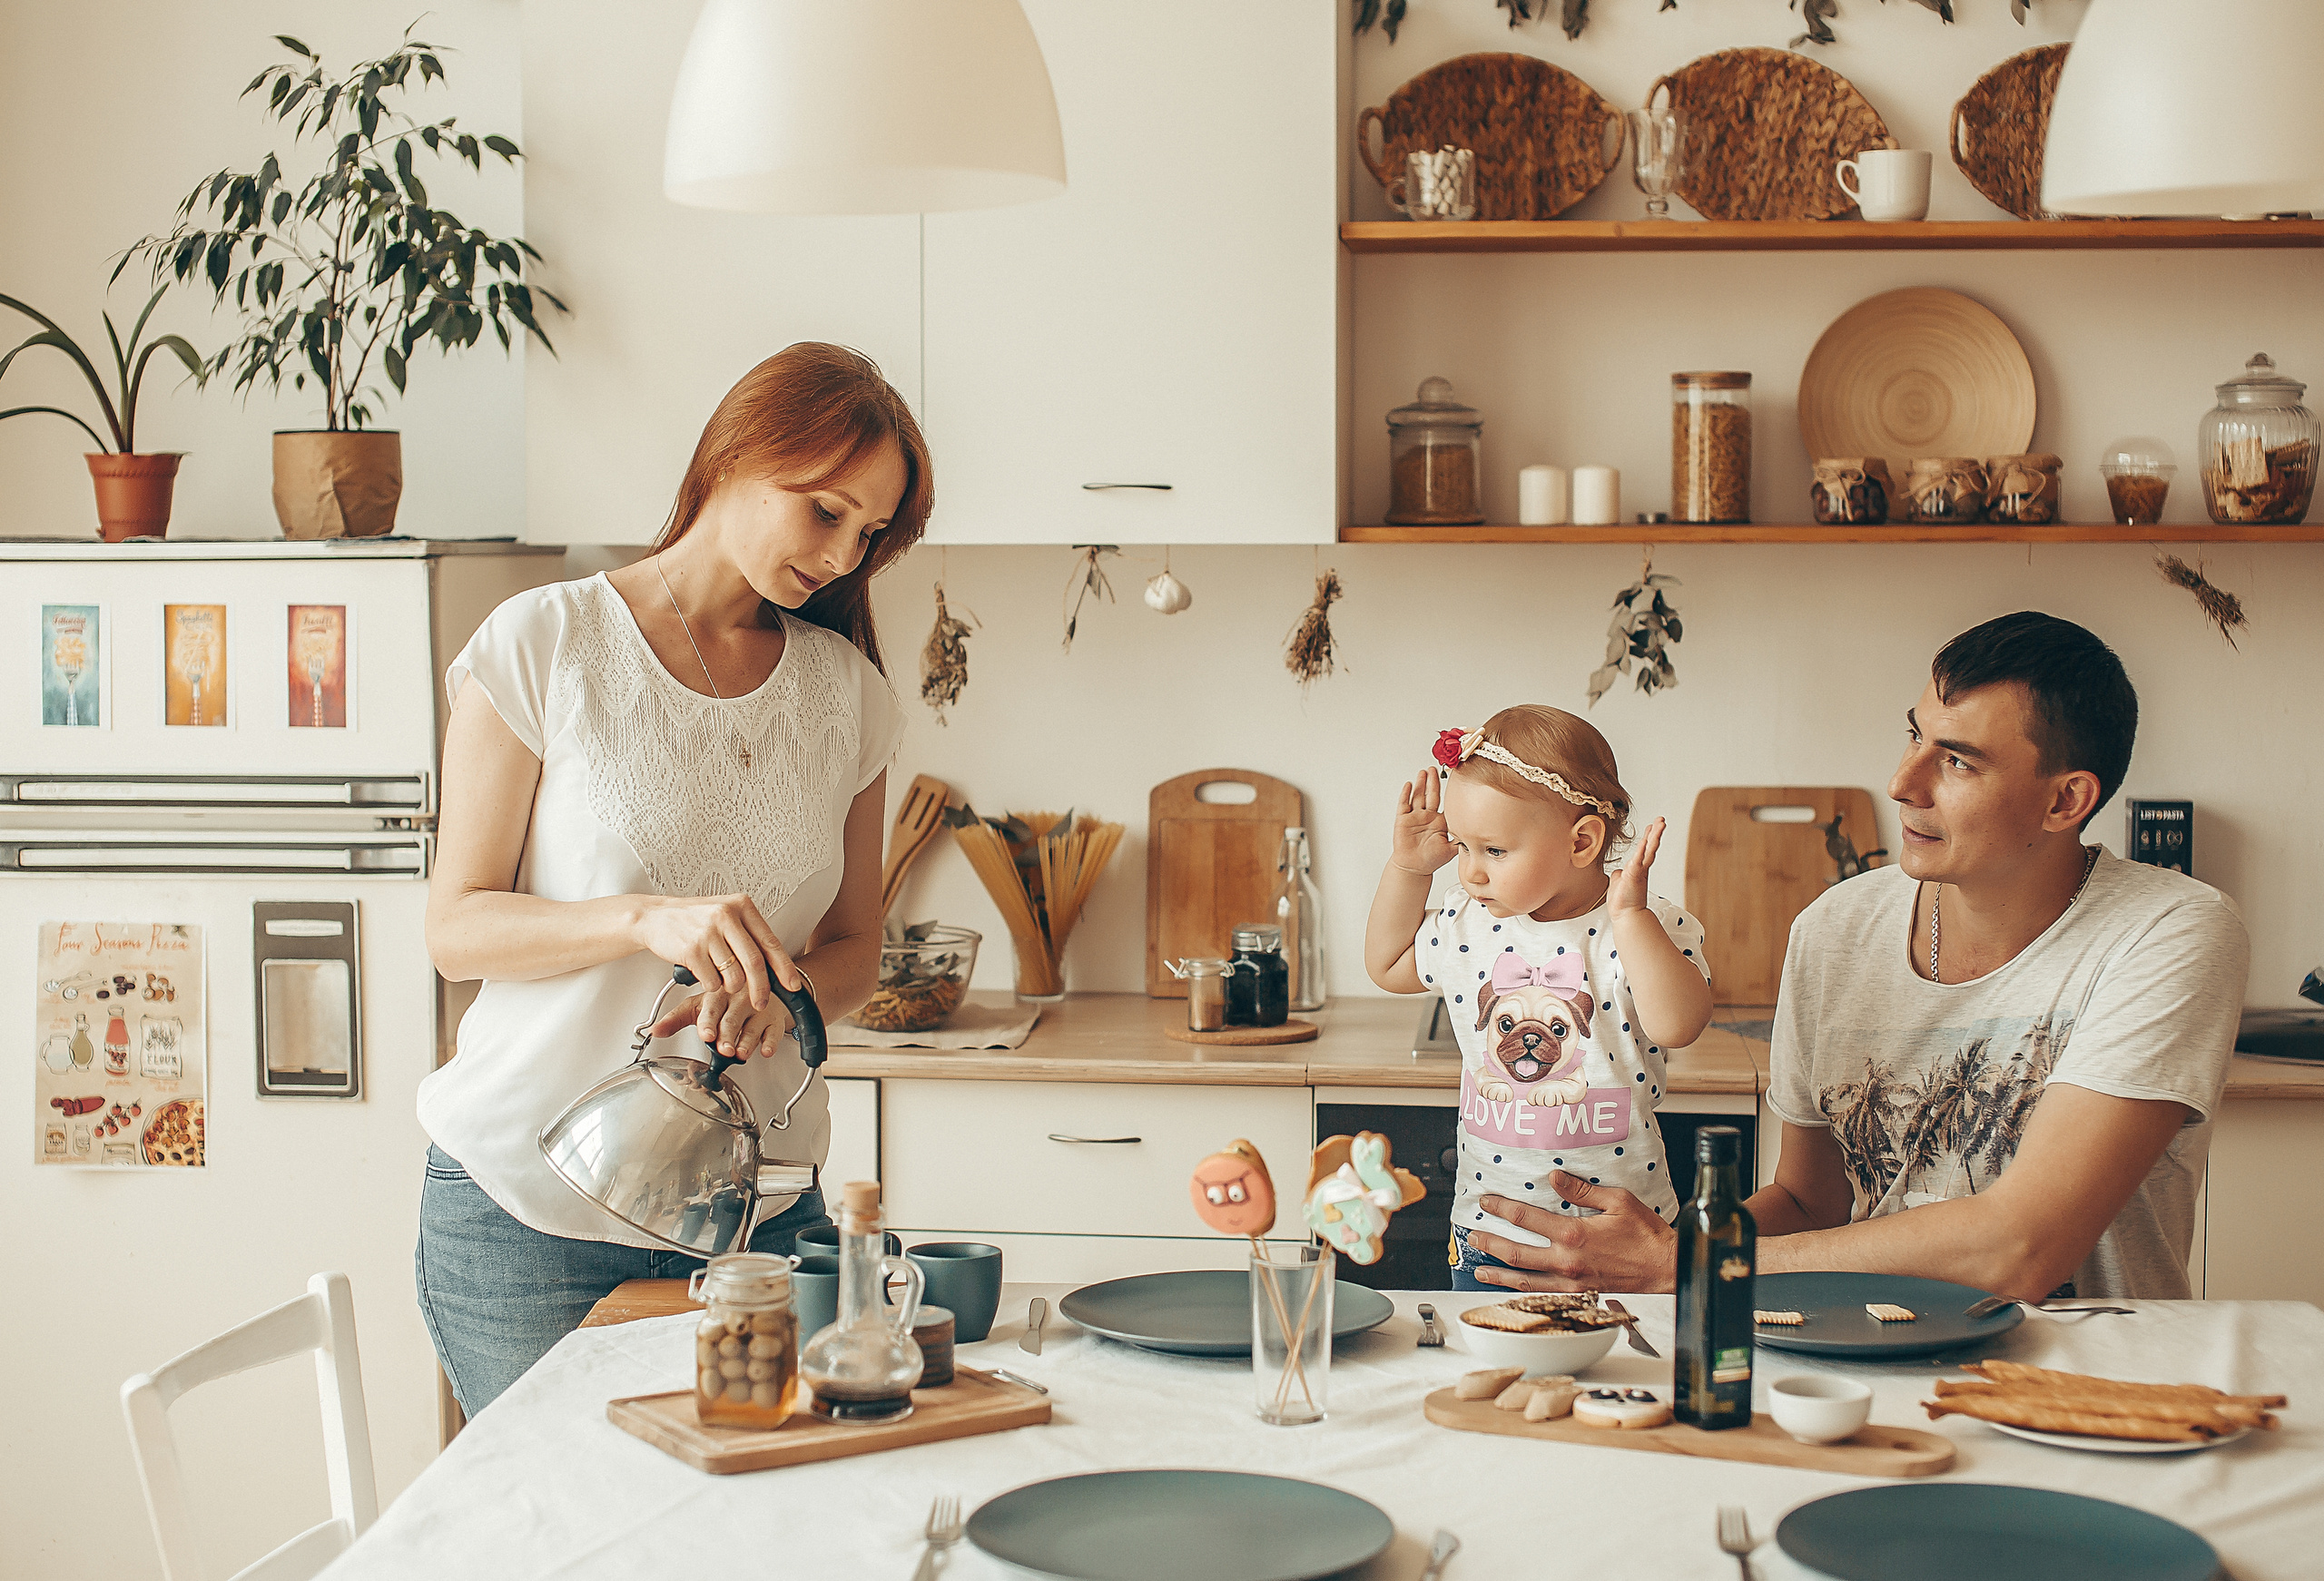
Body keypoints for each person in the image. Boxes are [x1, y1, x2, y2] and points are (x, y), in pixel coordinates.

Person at [415, 343, 931, 1414]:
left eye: (870, 532)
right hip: (527, 1217)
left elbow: (852, 951)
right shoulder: (545, 640)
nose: (844, 553)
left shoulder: (851, 697)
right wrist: (643, 917)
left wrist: (782, 1005)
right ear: (739, 454)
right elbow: (455, 930)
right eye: (825, 511)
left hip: (759, 1212)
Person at [1461, 614, 2250, 1302]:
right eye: (1914, 735)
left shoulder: (2170, 932)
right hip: (1856, 1350)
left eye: (1959, 761)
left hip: (2085, 1374)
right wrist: (1631, 1257)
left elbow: (2022, 1248)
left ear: (2065, 800)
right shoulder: (1836, 927)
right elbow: (1810, 1206)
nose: (1903, 783)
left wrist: (1695, 1264)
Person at [1364, 706, 1713, 1290]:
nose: (1469, 871)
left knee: (1627, 1375)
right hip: (1490, 1234)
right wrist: (1408, 868)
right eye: (1461, 845)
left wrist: (1629, 919)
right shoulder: (1464, 919)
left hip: (1625, 1240)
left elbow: (1679, 1025)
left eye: (1493, 851)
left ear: (1582, 841)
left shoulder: (1647, 925)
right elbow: (1389, 964)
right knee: (1500, 1375)